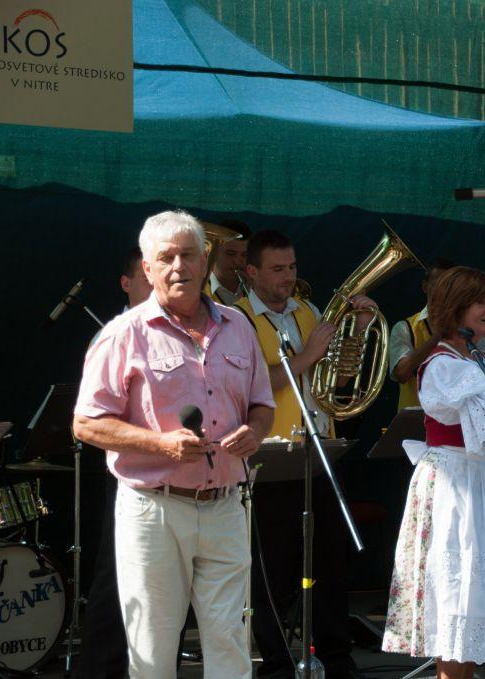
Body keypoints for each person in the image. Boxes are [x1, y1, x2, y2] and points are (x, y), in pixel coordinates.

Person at [72, 210, 275, 679]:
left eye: (188, 255)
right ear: (147, 268)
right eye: (166, 258)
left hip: (226, 506)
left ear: (206, 261)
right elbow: (85, 423)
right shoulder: (123, 333)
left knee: (231, 645)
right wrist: (161, 444)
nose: (178, 266)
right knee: (152, 653)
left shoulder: (239, 327)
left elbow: (262, 404)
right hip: (154, 509)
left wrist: (256, 431)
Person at [381, 266, 485, 677]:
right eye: (481, 302)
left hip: (484, 483)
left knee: (478, 599)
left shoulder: (480, 359)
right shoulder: (441, 365)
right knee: (457, 599)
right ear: (456, 308)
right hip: (457, 485)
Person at [234, 229, 375, 679]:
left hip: (319, 449)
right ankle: (276, 664)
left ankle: (336, 658)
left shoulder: (308, 312)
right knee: (273, 569)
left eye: (292, 266)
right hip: (272, 458)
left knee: (330, 560)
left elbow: (333, 379)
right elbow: (250, 385)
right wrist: (308, 355)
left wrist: (359, 332)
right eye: (277, 269)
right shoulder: (236, 320)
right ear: (251, 272)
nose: (288, 276)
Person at [75, 246, 153, 679]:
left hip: (173, 472)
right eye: (145, 277)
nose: (156, 284)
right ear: (126, 283)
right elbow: (92, 419)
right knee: (117, 574)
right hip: (128, 473)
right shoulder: (113, 334)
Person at [389, 258, 485, 411]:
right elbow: (402, 374)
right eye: (438, 284)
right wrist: (441, 334)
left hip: (459, 416)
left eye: (450, 288)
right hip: (414, 417)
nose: (444, 292)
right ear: (425, 287)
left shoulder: (473, 328)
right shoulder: (404, 328)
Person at [206, 219, 250, 305]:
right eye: (231, 254)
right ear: (213, 252)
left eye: (245, 255)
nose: (238, 262)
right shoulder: (197, 291)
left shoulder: (259, 290)